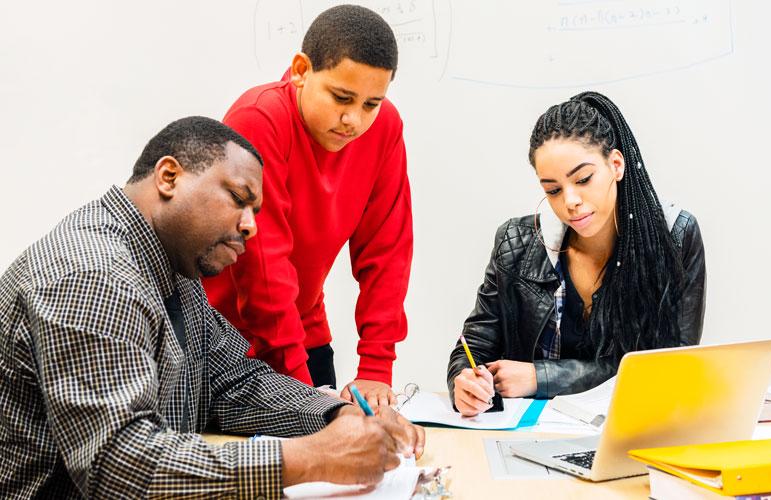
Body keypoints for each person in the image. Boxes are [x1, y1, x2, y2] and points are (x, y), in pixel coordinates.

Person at [0, 116, 424, 499]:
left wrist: (338, 414)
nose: (251, 225)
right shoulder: (92, 275)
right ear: (169, 176)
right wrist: (314, 457)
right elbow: (120, 465)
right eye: (239, 198)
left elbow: (233, 382)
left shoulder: (174, 270)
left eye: (255, 211)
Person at [202, 5, 412, 407]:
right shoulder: (259, 118)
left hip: (304, 334)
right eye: (341, 97)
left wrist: (375, 368)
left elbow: (388, 249)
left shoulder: (384, 127)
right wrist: (303, 397)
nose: (354, 119)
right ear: (301, 70)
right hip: (227, 343)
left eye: (371, 103)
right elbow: (263, 265)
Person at [447, 92, 706, 416]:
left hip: (634, 436)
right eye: (552, 190)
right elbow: (472, 349)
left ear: (616, 164)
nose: (570, 201)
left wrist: (540, 377)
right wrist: (464, 382)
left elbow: (668, 371)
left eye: (583, 180)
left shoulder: (675, 236)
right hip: (528, 441)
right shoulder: (516, 242)